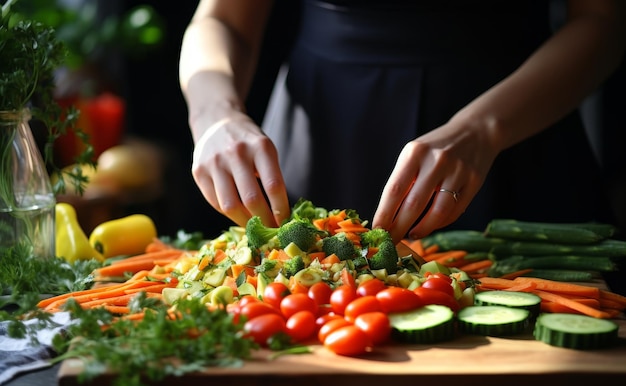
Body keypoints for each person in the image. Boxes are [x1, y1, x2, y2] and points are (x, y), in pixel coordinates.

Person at [179, 0, 626, 243]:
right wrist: (214, 112)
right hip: (322, 136)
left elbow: (604, 22)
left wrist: (484, 129)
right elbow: (222, 20)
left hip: (517, 130)